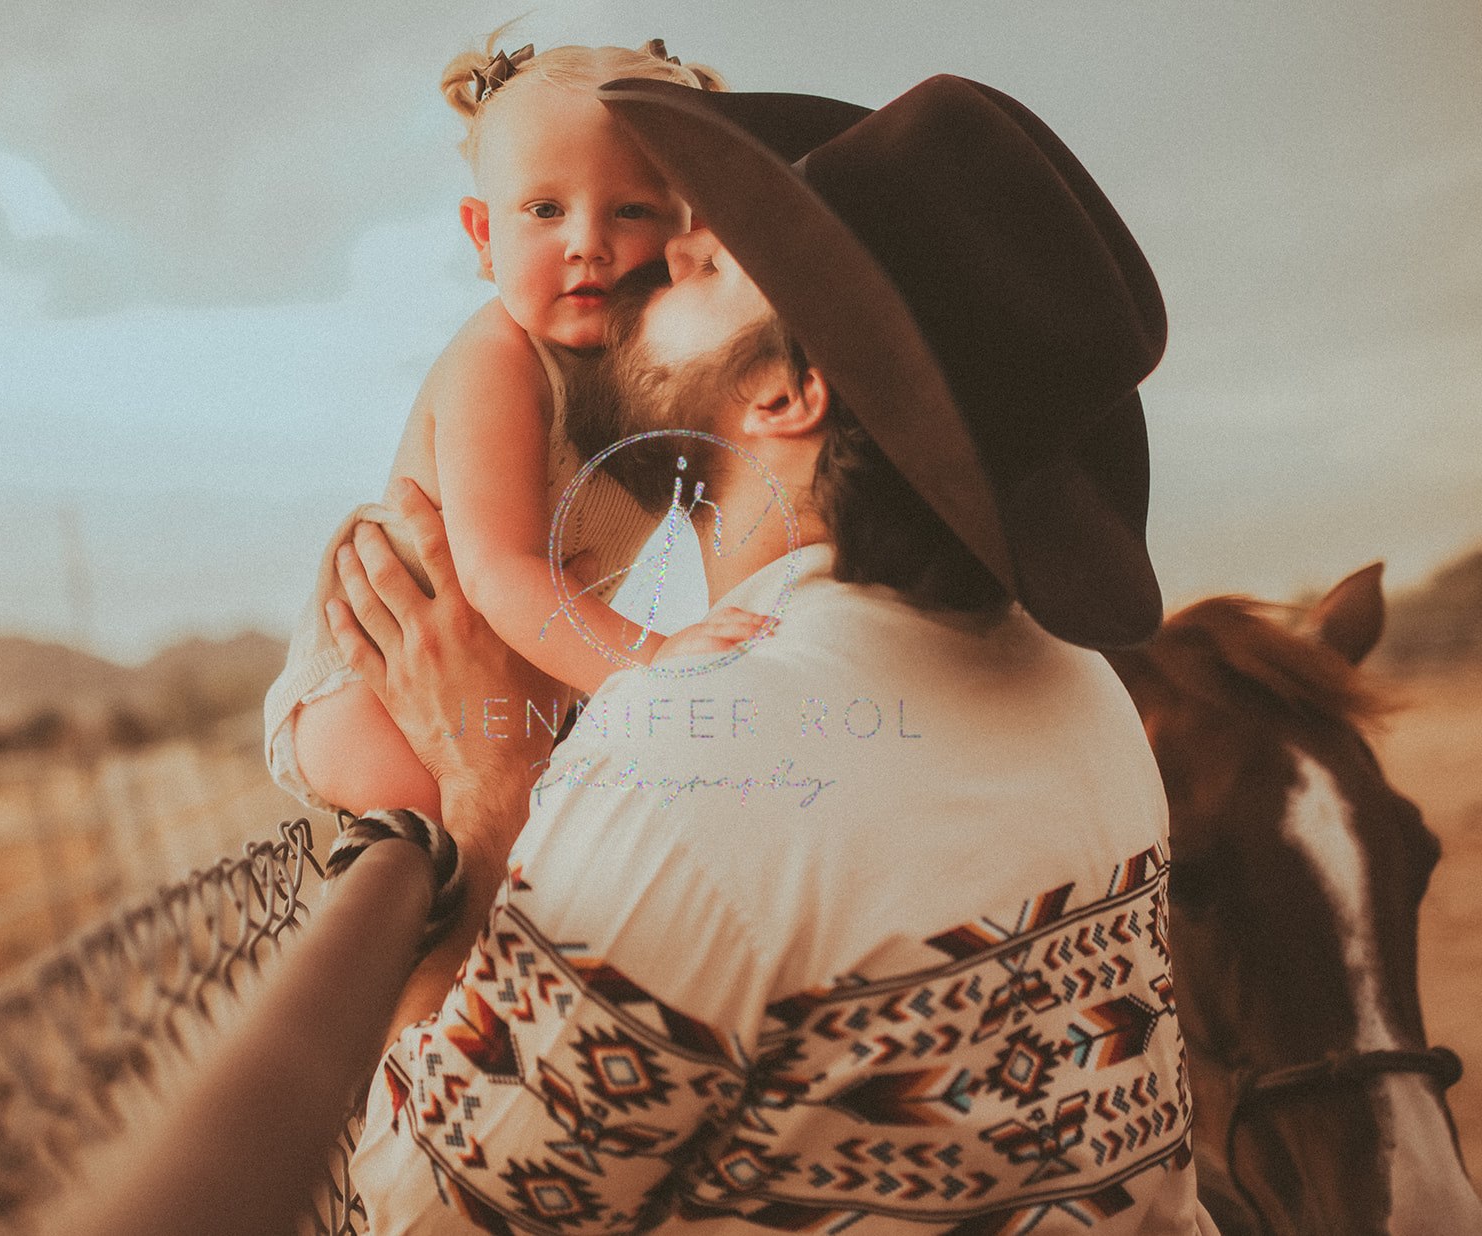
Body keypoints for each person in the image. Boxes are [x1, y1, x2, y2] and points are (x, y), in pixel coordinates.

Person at [328, 76, 1218, 1232]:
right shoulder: (1079, 693)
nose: (646, 266)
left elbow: (422, 1214)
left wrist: (489, 806)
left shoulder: (693, 750)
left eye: (701, 265)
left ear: (789, 393)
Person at [262, 35, 767, 820]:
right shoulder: (500, 360)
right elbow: (502, 573)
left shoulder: (672, 375)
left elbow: (724, 519)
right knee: (434, 848)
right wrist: (663, 668)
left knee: (558, 841)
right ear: (483, 237)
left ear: (687, 227)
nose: (587, 242)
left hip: (517, 676)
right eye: (544, 210)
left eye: (632, 209)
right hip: (368, 682)